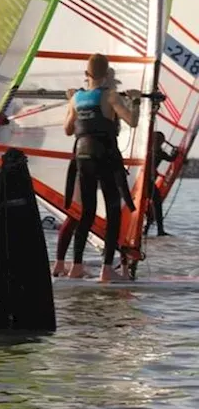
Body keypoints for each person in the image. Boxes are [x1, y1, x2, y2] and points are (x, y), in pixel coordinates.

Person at [62, 53, 141, 282]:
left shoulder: (76, 98)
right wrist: (135, 100)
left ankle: (76, 266)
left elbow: (68, 130)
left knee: (87, 212)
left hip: (82, 155)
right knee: (113, 210)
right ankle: (107, 269)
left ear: (86, 74)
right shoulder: (111, 95)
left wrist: (71, 102)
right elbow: (132, 121)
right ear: (106, 75)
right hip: (105, 155)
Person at [144, 130, 178, 237]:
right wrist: (176, 152)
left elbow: (171, 158)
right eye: (159, 141)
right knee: (156, 204)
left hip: (147, 183)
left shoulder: (153, 151)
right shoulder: (154, 152)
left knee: (153, 205)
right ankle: (158, 230)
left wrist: (175, 153)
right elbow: (171, 158)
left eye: (161, 142)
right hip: (145, 182)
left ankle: (149, 230)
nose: (161, 143)